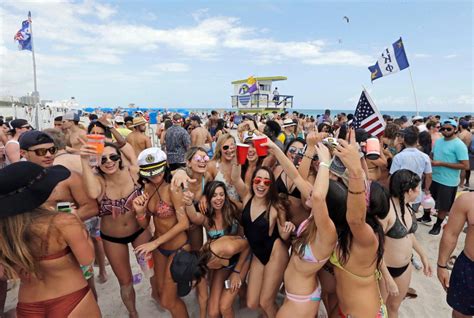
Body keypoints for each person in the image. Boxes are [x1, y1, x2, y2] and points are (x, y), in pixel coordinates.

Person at [0, 161, 101, 317]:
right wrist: (79, 224)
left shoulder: (5, 231)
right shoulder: (63, 222)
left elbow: (5, 274)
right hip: (71, 297)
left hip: (28, 304)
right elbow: (87, 259)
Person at [80, 142, 153, 317]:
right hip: (113, 238)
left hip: (140, 230)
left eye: (113, 157)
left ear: (119, 158)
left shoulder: (133, 173)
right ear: (97, 162)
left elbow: (157, 175)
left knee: (152, 272)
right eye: (102, 159)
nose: (108, 162)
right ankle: (133, 313)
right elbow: (91, 193)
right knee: (125, 281)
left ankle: (156, 296)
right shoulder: (98, 180)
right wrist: (83, 160)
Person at [329, 129, 390, 317]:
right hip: (345, 310)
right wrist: (354, 158)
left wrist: (355, 169)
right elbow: (329, 188)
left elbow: (355, 218)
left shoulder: (367, 237)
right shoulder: (349, 229)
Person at [276, 143, 339, 318]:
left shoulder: (328, 233)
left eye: (315, 193)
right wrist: (273, 148)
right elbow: (295, 176)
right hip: (299, 295)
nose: (309, 193)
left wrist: (326, 162)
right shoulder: (313, 217)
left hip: (300, 301)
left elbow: (317, 196)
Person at [132, 147, 190, 318]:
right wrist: (140, 213)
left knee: (167, 301)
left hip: (177, 248)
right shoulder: (148, 189)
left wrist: (154, 243)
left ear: (164, 166)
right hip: (159, 249)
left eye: (156, 171)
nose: (153, 176)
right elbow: (145, 225)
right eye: (149, 173)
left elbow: (184, 223)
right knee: (159, 292)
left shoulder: (173, 188)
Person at [231, 164, 295, 317]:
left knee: (266, 301)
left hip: (276, 254)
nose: (261, 184)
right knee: (252, 303)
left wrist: (288, 227)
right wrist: (237, 157)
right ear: (253, 181)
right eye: (258, 180)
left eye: (266, 182)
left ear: (271, 186)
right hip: (258, 255)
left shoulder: (275, 207)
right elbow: (235, 178)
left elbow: (283, 235)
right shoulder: (247, 197)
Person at [184, 181, 250, 318]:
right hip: (221, 263)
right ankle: (240, 290)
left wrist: (237, 272)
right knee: (213, 312)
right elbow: (194, 217)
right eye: (214, 195)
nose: (218, 198)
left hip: (240, 256)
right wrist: (189, 203)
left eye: (221, 195)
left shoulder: (232, 209)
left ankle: (243, 295)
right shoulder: (207, 218)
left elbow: (247, 208)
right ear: (208, 198)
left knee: (233, 299)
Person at [380, 170, 432, 317]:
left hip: (405, 267)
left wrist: (423, 256)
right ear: (409, 191)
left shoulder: (407, 207)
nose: (420, 193)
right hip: (386, 270)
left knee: (394, 306)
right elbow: (375, 249)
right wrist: (388, 279)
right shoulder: (386, 212)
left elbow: (409, 236)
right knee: (380, 308)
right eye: (418, 189)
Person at [429, 120, 469, 235]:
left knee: (443, 206)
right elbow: (433, 154)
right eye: (443, 128)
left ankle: (437, 225)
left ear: (455, 129)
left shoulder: (459, 145)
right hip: (434, 177)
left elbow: (466, 165)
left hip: (448, 181)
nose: (445, 131)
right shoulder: (438, 141)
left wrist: (441, 163)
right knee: (429, 200)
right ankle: (426, 216)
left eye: (449, 129)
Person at [437, 192, 473, 318]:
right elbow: (451, 234)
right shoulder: (467, 200)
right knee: (460, 314)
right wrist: (441, 265)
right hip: (469, 268)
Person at [389, 126, 432, 214]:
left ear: (404, 141)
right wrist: (427, 189)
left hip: (400, 191)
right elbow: (429, 176)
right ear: (417, 142)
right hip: (416, 191)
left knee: (400, 213)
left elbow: (392, 175)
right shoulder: (424, 156)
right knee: (412, 214)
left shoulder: (398, 157)